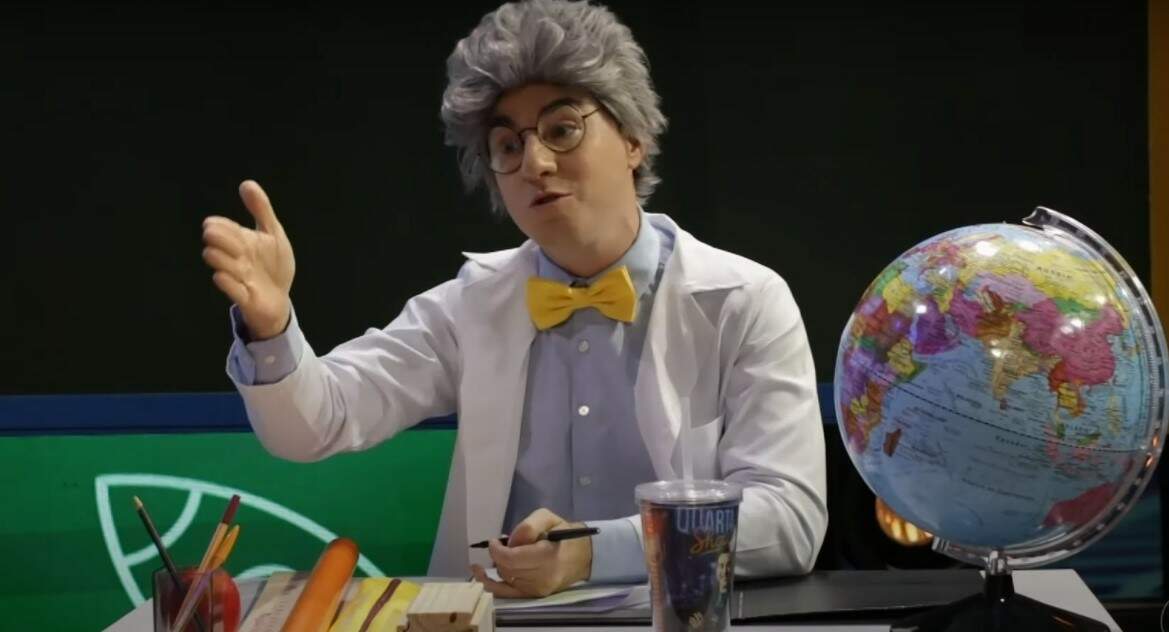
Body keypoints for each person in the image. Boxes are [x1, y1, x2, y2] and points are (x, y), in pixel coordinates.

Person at [200, 0, 827, 598]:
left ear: (633, 139)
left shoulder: (743, 300)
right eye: (508, 145)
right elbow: (317, 424)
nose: (535, 162)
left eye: (562, 129)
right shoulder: (470, 306)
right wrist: (271, 327)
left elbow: (789, 518)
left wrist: (594, 553)